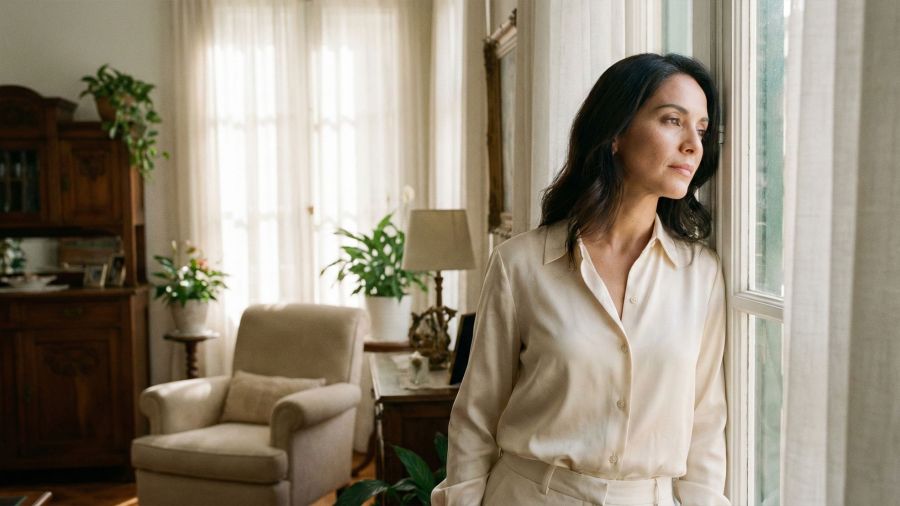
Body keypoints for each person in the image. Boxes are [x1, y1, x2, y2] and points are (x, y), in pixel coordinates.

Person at [431, 53, 730, 506]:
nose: (693, 144)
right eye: (673, 120)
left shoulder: (700, 276)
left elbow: (706, 426)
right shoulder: (521, 265)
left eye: (702, 130)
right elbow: (476, 417)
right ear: (615, 132)